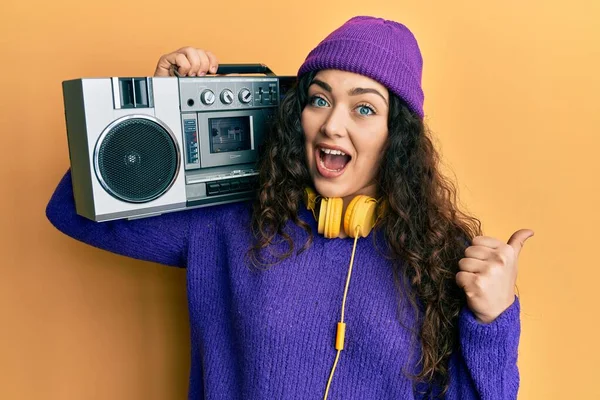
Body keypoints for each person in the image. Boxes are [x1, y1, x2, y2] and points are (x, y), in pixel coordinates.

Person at [46, 16, 533, 400]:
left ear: (396, 139)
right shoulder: (230, 222)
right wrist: (157, 111)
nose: (332, 126)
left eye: (364, 108)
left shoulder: (440, 257)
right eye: (319, 100)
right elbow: (74, 208)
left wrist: (493, 321)